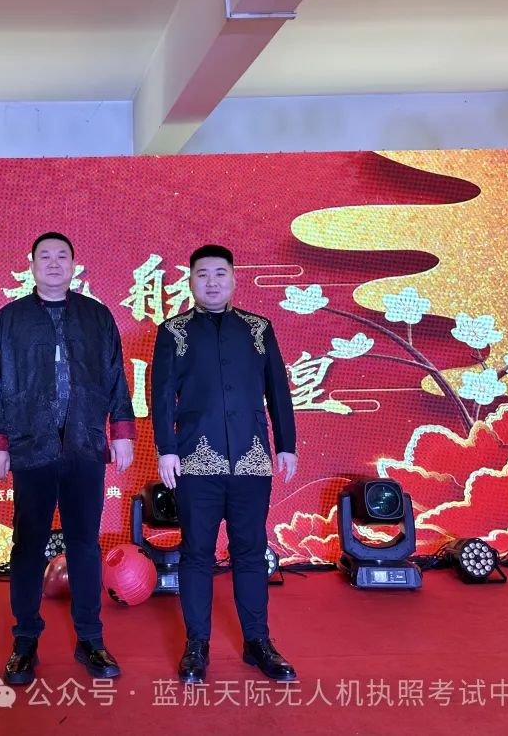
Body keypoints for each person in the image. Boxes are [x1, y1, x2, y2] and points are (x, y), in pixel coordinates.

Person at [0, 232, 136, 684]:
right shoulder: (10, 319)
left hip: (85, 444)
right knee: (28, 545)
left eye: (62, 256)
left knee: (84, 544)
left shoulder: (96, 315)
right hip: (31, 444)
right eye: (45, 257)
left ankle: (91, 639)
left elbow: (116, 377)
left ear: (74, 265)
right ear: (31, 265)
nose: (53, 263)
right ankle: (25, 642)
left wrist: (121, 432)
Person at [150, 244, 298, 684]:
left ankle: (258, 641)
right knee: (196, 552)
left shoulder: (258, 328)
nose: (211, 282)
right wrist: (166, 448)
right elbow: (162, 395)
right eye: (202, 274)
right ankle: (197, 644)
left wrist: (286, 444)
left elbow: (278, 390)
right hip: (196, 460)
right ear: (190, 281)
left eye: (219, 273)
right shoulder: (173, 331)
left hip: (252, 458)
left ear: (234, 279)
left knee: (250, 551)